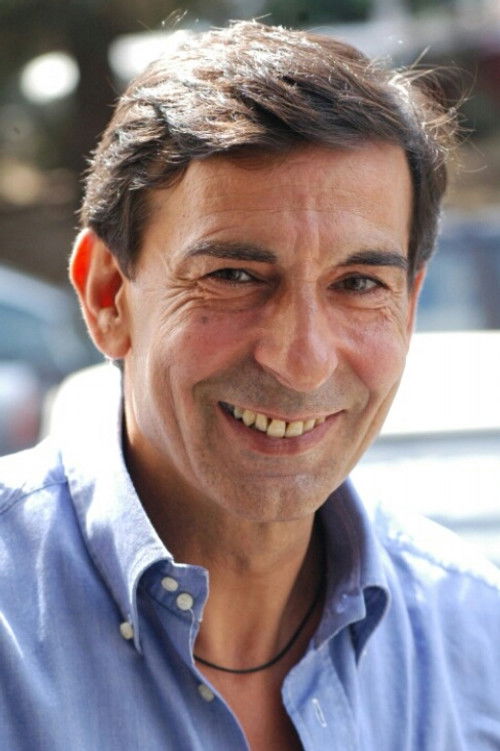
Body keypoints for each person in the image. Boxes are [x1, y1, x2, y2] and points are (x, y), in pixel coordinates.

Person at [1, 20, 499, 751]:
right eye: (234, 276)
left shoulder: (475, 639)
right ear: (108, 296)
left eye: (359, 284)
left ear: (410, 305)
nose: (302, 360)